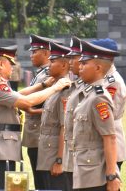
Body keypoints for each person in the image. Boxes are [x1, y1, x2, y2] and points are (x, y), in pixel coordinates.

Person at [0, 45, 71, 189]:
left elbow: (18, 95)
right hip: (0, 147)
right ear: (2, 64)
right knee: (0, 187)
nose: (13, 68)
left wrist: (43, 85)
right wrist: (55, 88)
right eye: (11, 64)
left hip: (0, 145)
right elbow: (27, 101)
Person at [72, 39, 121, 191]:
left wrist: (111, 176)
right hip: (85, 170)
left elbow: (110, 137)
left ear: (98, 67)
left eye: (85, 63)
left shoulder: (99, 97)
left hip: (95, 175)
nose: (80, 67)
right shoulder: (89, 94)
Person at [22, 34, 62, 190]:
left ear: (46, 53)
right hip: (35, 135)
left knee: (45, 183)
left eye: (34, 52)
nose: (31, 55)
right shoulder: (41, 74)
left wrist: (31, 109)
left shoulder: (48, 75)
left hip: (43, 135)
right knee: (40, 183)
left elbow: (53, 108)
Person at [36, 41, 71, 191]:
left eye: (53, 61)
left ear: (64, 65)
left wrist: (60, 160)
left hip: (54, 154)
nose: (49, 64)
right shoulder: (54, 87)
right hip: (46, 151)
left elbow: (65, 127)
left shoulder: (65, 90)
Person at [62, 36, 84, 191]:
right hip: (70, 151)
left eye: (73, 58)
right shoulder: (75, 86)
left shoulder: (90, 90)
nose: (70, 62)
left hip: (82, 155)